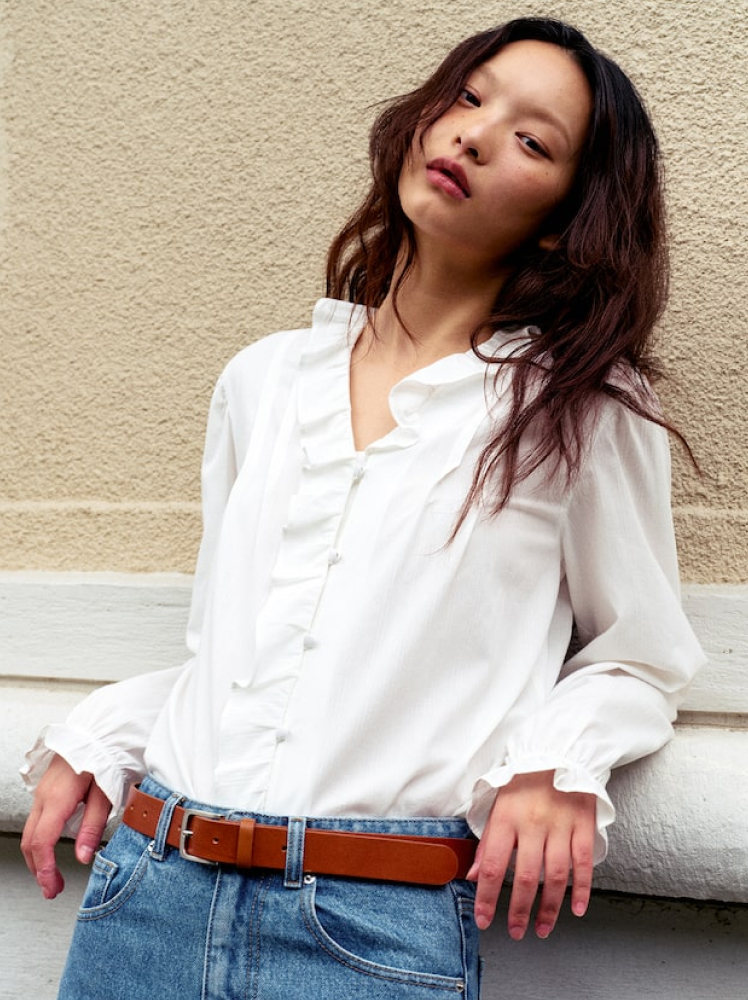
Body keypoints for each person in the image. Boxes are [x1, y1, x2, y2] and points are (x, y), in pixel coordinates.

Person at [21, 16, 704, 1000]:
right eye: (467, 98)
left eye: (531, 139)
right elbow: (239, 651)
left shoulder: (579, 409)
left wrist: (557, 763)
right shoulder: (263, 382)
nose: (471, 135)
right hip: (146, 897)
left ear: (563, 215)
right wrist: (107, 736)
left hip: (364, 929)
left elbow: (640, 656)